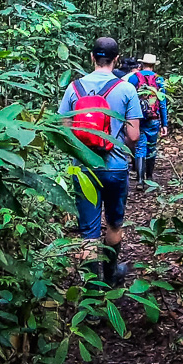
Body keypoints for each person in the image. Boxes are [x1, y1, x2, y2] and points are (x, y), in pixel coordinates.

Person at [58, 37, 142, 286]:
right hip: (115, 168)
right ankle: (113, 274)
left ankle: (93, 294)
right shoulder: (126, 89)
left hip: (84, 169)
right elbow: (134, 136)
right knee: (114, 224)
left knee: (88, 234)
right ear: (116, 59)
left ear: (92, 58)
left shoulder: (74, 88)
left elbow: (64, 131)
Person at [125, 53, 168, 190]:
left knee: (140, 147)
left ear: (142, 64)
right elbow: (162, 103)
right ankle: (149, 177)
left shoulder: (133, 78)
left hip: (138, 118)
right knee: (151, 147)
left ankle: (139, 180)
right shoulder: (159, 80)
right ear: (154, 65)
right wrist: (164, 124)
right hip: (154, 119)